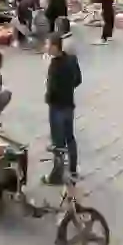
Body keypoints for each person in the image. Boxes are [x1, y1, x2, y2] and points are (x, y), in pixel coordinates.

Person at [44, 31, 82, 184]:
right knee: (70, 137)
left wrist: (47, 94)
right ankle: (73, 169)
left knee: (58, 143)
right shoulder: (72, 59)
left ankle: (56, 176)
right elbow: (78, 80)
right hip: (69, 105)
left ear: (54, 47)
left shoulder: (53, 66)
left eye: (47, 44)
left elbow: (51, 90)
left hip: (57, 108)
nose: (45, 47)